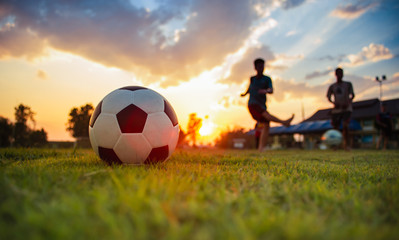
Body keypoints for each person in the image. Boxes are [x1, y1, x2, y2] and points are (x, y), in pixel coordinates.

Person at [241, 58, 294, 151]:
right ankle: (284, 122)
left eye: (262, 66)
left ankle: (261, 148)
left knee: (266, 124)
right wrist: (244, 94)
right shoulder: (252, 79)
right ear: (255, 67)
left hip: (262, 105)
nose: (261, 68)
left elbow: (271, 90)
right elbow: (249, 88)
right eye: (259, 66)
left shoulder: (267, 79)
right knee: (267, 116)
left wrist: (265, 91)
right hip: (253, 104)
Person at [327, 67, 355, 150]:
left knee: (346, 126)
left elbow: (352, 95)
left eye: (341, 73)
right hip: (337, 109)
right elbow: (328, 97)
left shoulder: (348, 84)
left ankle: (347, 145)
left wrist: (348, 102)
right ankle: (335, 145)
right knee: (336, 127)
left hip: (346, 108)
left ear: (343, 74)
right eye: (338, 73)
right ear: (335, 74)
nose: (339, 75)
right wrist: (334, 103)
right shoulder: (332, 86)